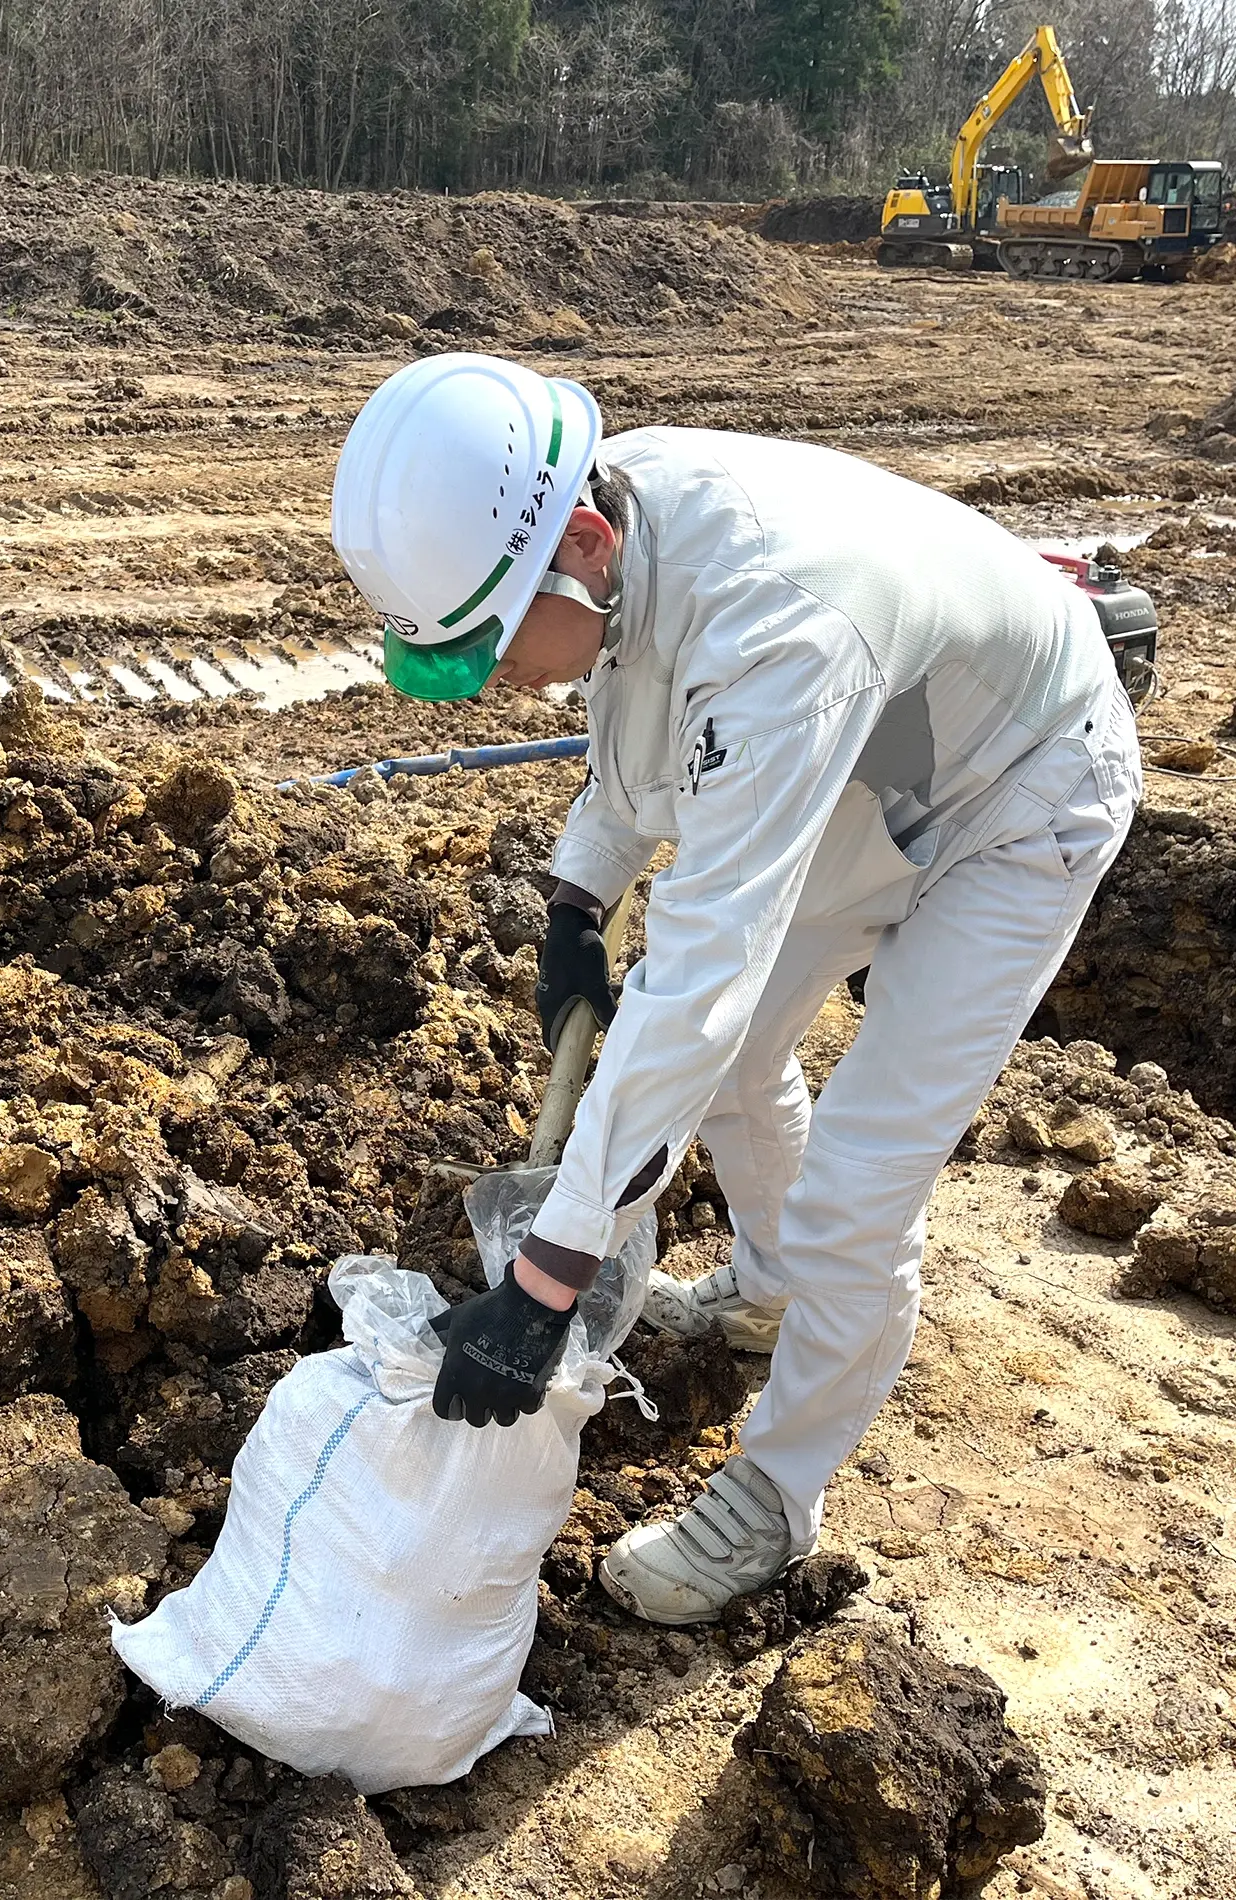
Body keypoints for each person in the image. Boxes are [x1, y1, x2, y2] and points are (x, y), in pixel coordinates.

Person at [331, 352, 1141, 1626]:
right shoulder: (620, 530)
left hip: (1019, 795)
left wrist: (549, 1275)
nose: (489, 682)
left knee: (859, 1179)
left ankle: (779, 1483)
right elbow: (633, 727)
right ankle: (765, 1295)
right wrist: (577, 897)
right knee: (747, 1055)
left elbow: (700, 974)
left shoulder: (773, 622)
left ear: (581, 543)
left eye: (488, 645)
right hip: (879, 757)